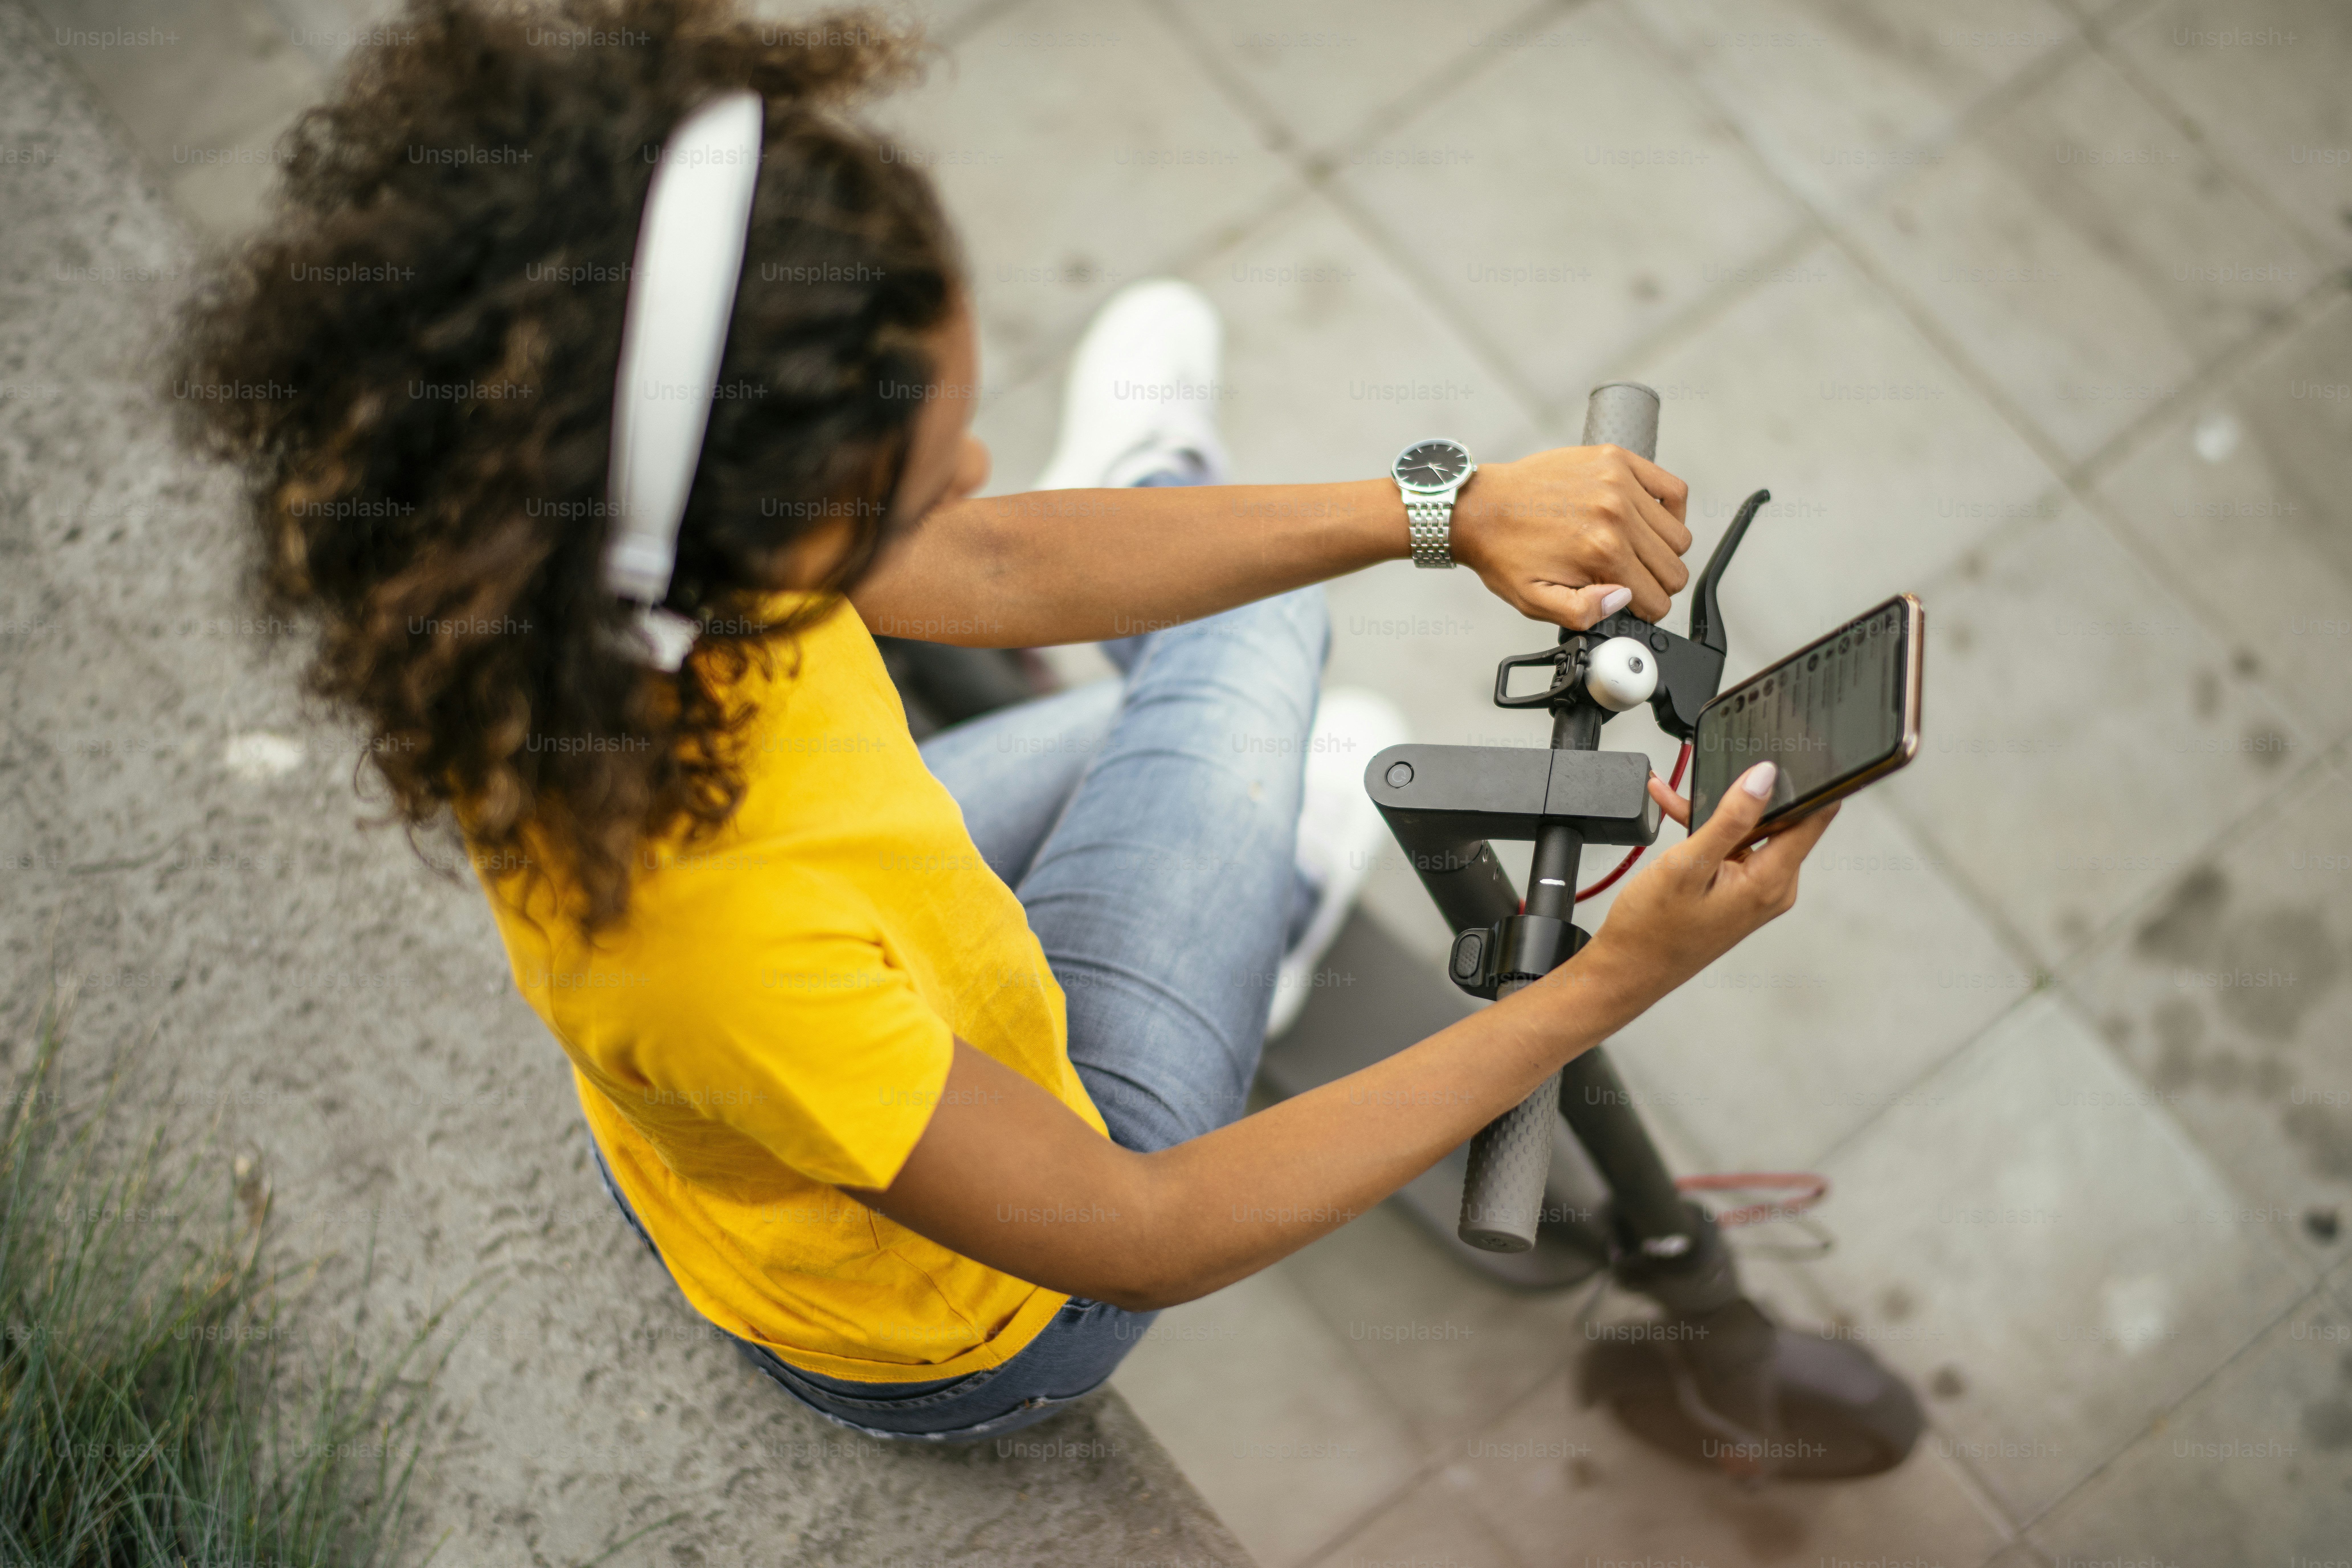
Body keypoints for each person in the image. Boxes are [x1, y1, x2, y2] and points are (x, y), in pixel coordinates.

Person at [171, 0, 1836, 1444]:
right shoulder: (710, 943)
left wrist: (1442, 505)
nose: (977, 478)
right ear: (739, 538)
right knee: (1261, 636)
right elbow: (1142, 1229)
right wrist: (1612, 982)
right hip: (991, 1304)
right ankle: (1280, 858)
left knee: (1226, 634)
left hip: (875, 948)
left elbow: (986, 554)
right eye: (920, 472)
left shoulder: (556, 583)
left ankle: (1240, 765)